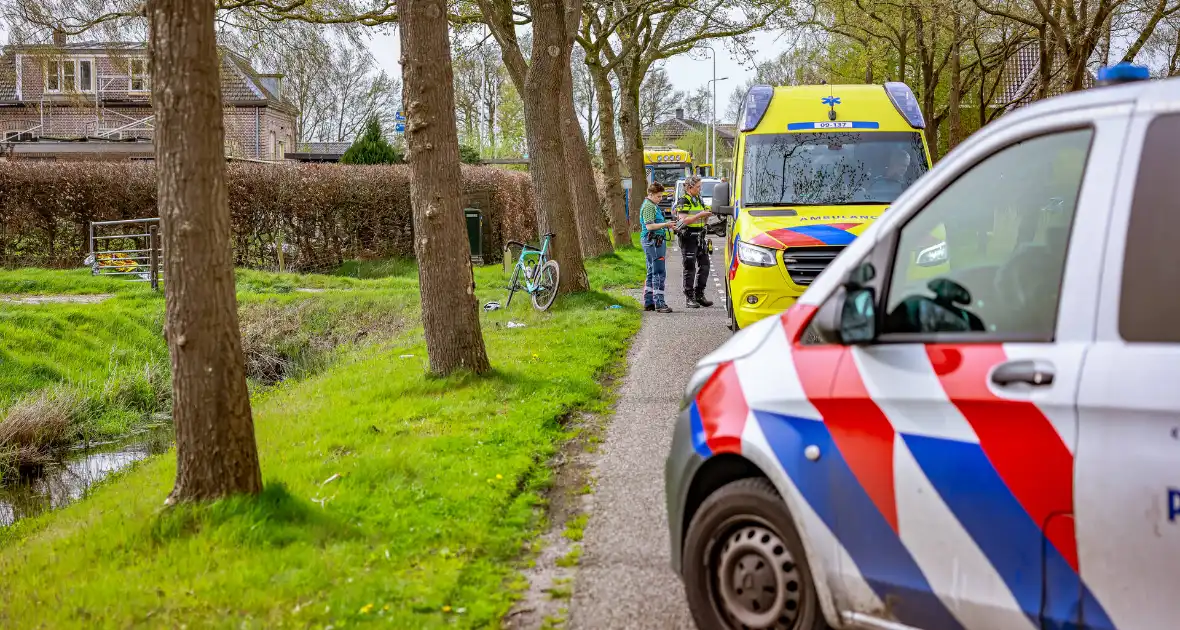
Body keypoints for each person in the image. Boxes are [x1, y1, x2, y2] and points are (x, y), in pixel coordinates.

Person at [674, 175, 715, 308]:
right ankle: (689, 297)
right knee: (690, 267)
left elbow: (703, 215)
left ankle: (699, 294)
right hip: (689, 237)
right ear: (689, 187)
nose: (700, 189)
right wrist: (700, 215)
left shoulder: (699, 198)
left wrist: (707, 217)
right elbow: (683, 220)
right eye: (698, 187)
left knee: (705, 266)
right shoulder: (683, 200)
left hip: (700, 236)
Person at [640, 182, 678, 313]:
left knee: (651, 271)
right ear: (650, 194)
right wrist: (666, 224)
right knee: (659, 272)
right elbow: (649, 226)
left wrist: (667, 225)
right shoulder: (649, 207)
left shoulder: (652, 205)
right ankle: (660, 303)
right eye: (658, 196)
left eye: (661, 196)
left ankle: (649, 302)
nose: (660, 199)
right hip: (653, 241)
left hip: (653, 241)